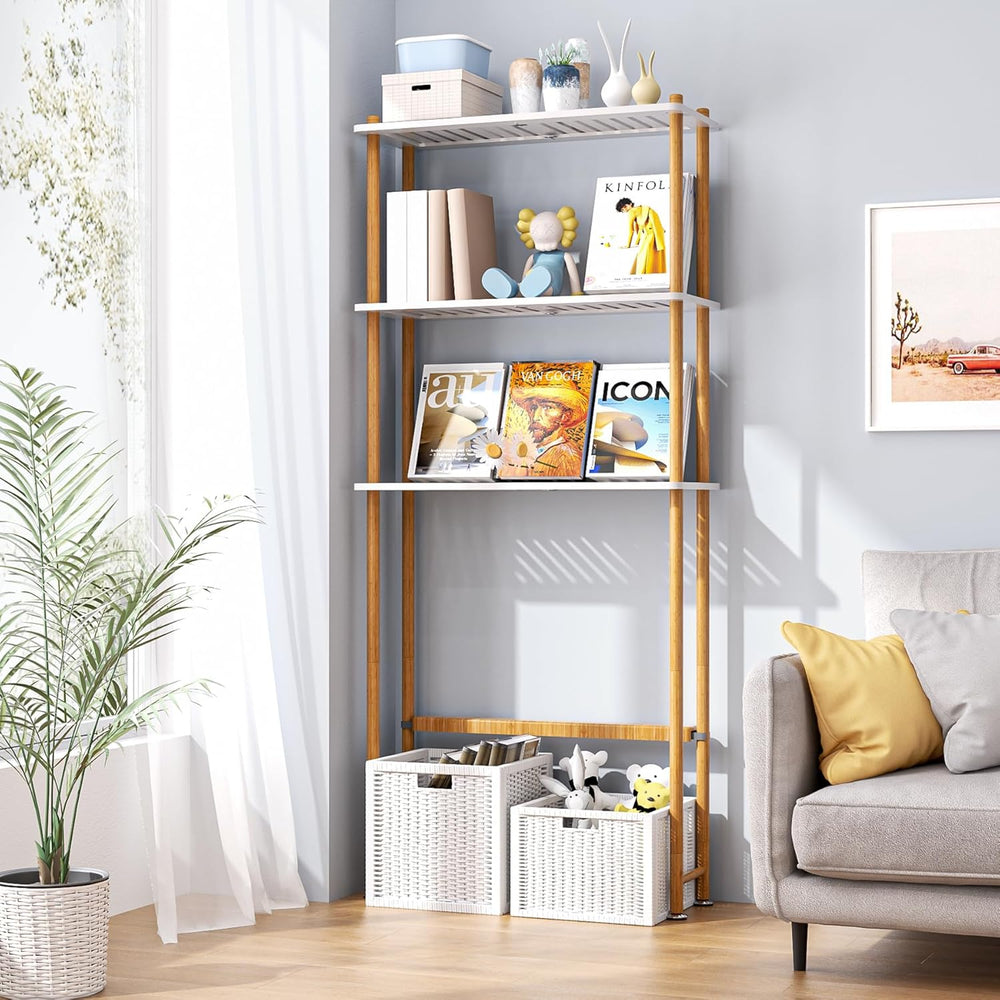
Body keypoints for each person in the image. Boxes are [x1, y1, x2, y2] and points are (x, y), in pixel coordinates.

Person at [503, 379, 590, 478]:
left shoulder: (568, 459)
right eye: (534, 408)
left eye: (548, 407)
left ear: (565, 416)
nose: (535, 417)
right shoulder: (523, 451)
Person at [617, 196, 666, 275]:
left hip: (648, 236)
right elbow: (640, 228)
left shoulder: (631, 212)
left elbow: (631, 231)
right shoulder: (644, 209)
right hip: (656, 234)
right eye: (622, 209)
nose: (625, 210)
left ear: (630, 204)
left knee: (643, 259)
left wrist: (628, 245)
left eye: (625, 206)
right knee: (654, 257)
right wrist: (637, 241)